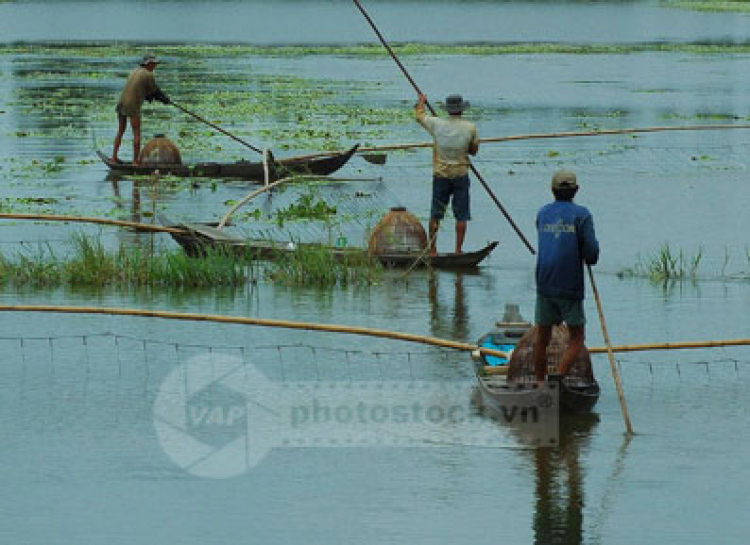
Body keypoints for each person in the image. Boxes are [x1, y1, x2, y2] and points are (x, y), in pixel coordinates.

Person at [533, 170, 599, 382]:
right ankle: (558, 377)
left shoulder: (543, 213)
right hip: (569, 283)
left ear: (552, 190)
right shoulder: (582, 215)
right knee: (578, 337)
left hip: (544, 281)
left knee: (541, 339)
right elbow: (592, 253)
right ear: (576, 190)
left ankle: (541, 382)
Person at [415, 93, 479, 256]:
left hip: (440, 175)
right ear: (461, 110)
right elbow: (473, 151)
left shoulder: (436, 124)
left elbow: (420, 116)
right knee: (461, 215)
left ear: (448, 110)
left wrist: (420, 102)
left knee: (436, 213)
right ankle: (458, 250)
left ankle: (433, 249)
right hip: (461, 174)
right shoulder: (470, 127)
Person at [111, 53, 171, 165]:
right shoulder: (148, 75)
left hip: (121, 103)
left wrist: (158, 98)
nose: (155, 66)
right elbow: (155, 92)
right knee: (137, 134)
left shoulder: (134, 71)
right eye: (154, 64)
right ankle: (135, 162)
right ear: (148, 64)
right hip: (132, 105)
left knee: (120, 131)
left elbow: (147, 93)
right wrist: (165, 100)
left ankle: (114, 157)